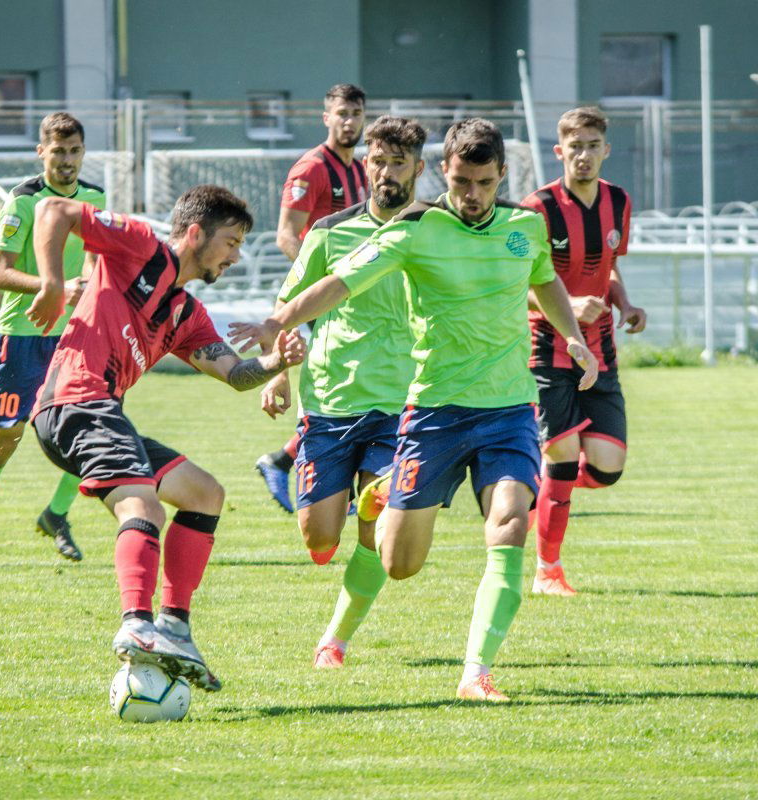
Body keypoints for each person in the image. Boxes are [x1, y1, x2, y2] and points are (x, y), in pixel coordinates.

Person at [231, 119, 599, 702]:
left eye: (482, 182)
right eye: (460, 182)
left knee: (507, 522)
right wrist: (278, 323)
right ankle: (379, 497)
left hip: (507, 409)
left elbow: (545, 279)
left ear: (501, 174)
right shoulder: (418, 228)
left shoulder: (526, 226)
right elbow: (341, 283)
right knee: (399, 562)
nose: (472, 194)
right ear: (444, 175)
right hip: (433, 413)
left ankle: (476, 671)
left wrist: (572, 336)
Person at [25, 185, 305, 692]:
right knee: (145, 507)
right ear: (195, 234)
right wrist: (49, 284)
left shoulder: (187, 315)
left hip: (101, 411)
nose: (237, 257)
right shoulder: (137, 246)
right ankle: (136, 623)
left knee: (205, 494)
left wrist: (276, 364)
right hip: (74, 402)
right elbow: (54, 209)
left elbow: (236, 373)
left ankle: (174, 627)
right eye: (231, 242)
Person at [258, 116, 425, 668]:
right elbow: (291, 303)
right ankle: (345, 508)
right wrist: (278, 371)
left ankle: (335, 639)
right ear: (365, 165)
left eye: (398, 162)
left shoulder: (433, 232)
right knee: (317, 538)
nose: (385, 172)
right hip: (329, 402)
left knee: (375, 525)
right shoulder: (331, 231)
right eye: (377, 161)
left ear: (418, 169)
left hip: (399, 404)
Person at [0, 112, 105, 568]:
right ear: (41, 152)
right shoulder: (21, 202)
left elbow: (97, 261)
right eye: (57, 151)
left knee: (94, 428)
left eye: (74, 151)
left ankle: (56, 515)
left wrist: (95, 298)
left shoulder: (94, 196)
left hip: (72, 336)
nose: (67, 161)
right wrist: (54, 287)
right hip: (21, 336)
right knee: (7, 441)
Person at [523, 107, 647, 597]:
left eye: (593, 146)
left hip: (602, 353)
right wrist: (566, 303)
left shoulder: (619, 202)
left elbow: (608, 269)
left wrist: (625, 303)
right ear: (560, 152)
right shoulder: (538, 208)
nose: (584, 156)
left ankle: (534, 488)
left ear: (605, 150)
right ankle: (547, 571)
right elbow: (518, 284)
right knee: (562, 458)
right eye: (575, 147)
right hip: (548, 352)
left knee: (606, 466)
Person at [256, 83, 369, 513]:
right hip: (321, 295)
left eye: (356, 114)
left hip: (353, 293)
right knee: (345, 386)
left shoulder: (361, 170)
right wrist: (323, 274)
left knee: (356, 382)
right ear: (326, 117)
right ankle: (318, 476)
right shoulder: (310, 169)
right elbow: (287, 235)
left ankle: (284, 460)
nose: (349, 121)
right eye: (341, 113)